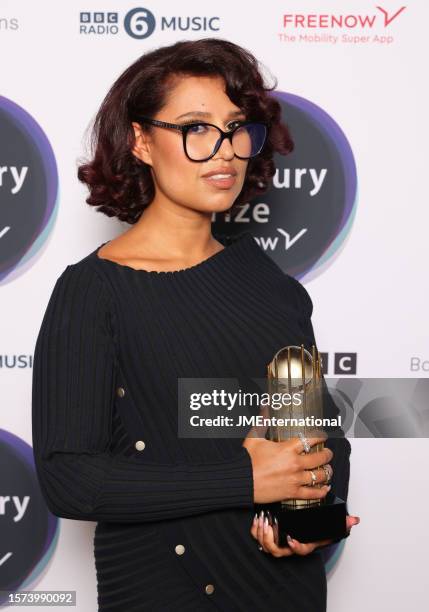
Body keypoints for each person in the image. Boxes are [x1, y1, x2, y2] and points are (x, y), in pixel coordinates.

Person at [31, 38, 359, 611]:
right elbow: (70, 480)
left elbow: (314, 435)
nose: (226, 150)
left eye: (235, 129)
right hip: (161, 592)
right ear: (141, 141)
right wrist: (246, 480)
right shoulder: (92, 292)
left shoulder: (270, 282)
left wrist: (314, 523)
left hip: (284, 594)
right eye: (196, 128)